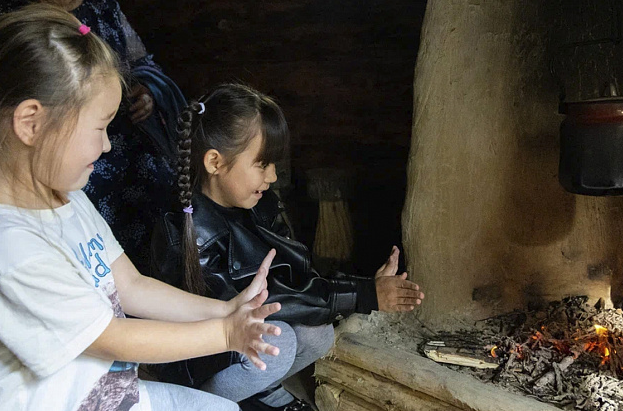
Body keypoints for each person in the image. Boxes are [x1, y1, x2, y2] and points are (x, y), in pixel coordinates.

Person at [0, 4, 284, 411]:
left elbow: (130, 286)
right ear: (31, 123)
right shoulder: (3, 247)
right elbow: (111, 337)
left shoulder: (67, 198)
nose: (108, 145)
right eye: (100, 128)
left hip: (112, 399)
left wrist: (224, 308)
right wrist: (224, 333)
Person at [150, 84, 426, 411]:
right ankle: (200, 403)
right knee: (277, 341)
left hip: (237, 335)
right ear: (215, 162)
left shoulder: (262, 206)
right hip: (194, 355)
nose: (272, 176)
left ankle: (256, 390)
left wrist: (366, 288)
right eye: (262, 164)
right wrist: (364, 295)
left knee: (317, 334)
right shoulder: (187, 232)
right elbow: (265, 303)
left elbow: (297, 281)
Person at [0, 0, 180, 274]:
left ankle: (150, 283)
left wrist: (147, 92)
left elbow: (144, 64)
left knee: (161, 186)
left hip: (116, 138)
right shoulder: (2, 10)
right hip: (43, 143)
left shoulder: (105, 8)